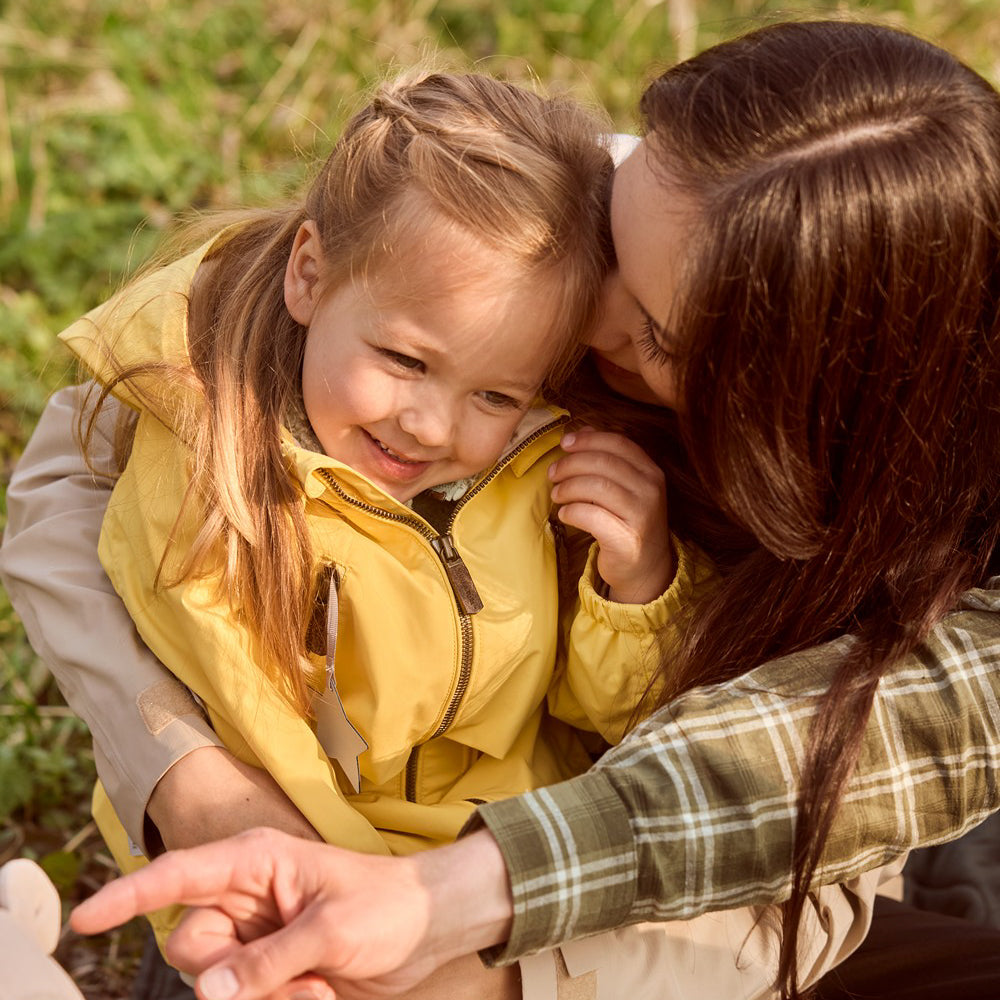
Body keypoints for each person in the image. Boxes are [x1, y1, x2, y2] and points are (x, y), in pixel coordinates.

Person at [14, 15, 1000, 1000]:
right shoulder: (535, 239)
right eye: (613, 224)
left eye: (655, 331)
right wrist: (187, 783)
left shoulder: (897, 562)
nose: (583, 316)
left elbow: (776, 822)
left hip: (592, 910)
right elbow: (73, 472)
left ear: (792, 408)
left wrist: (478, 964)